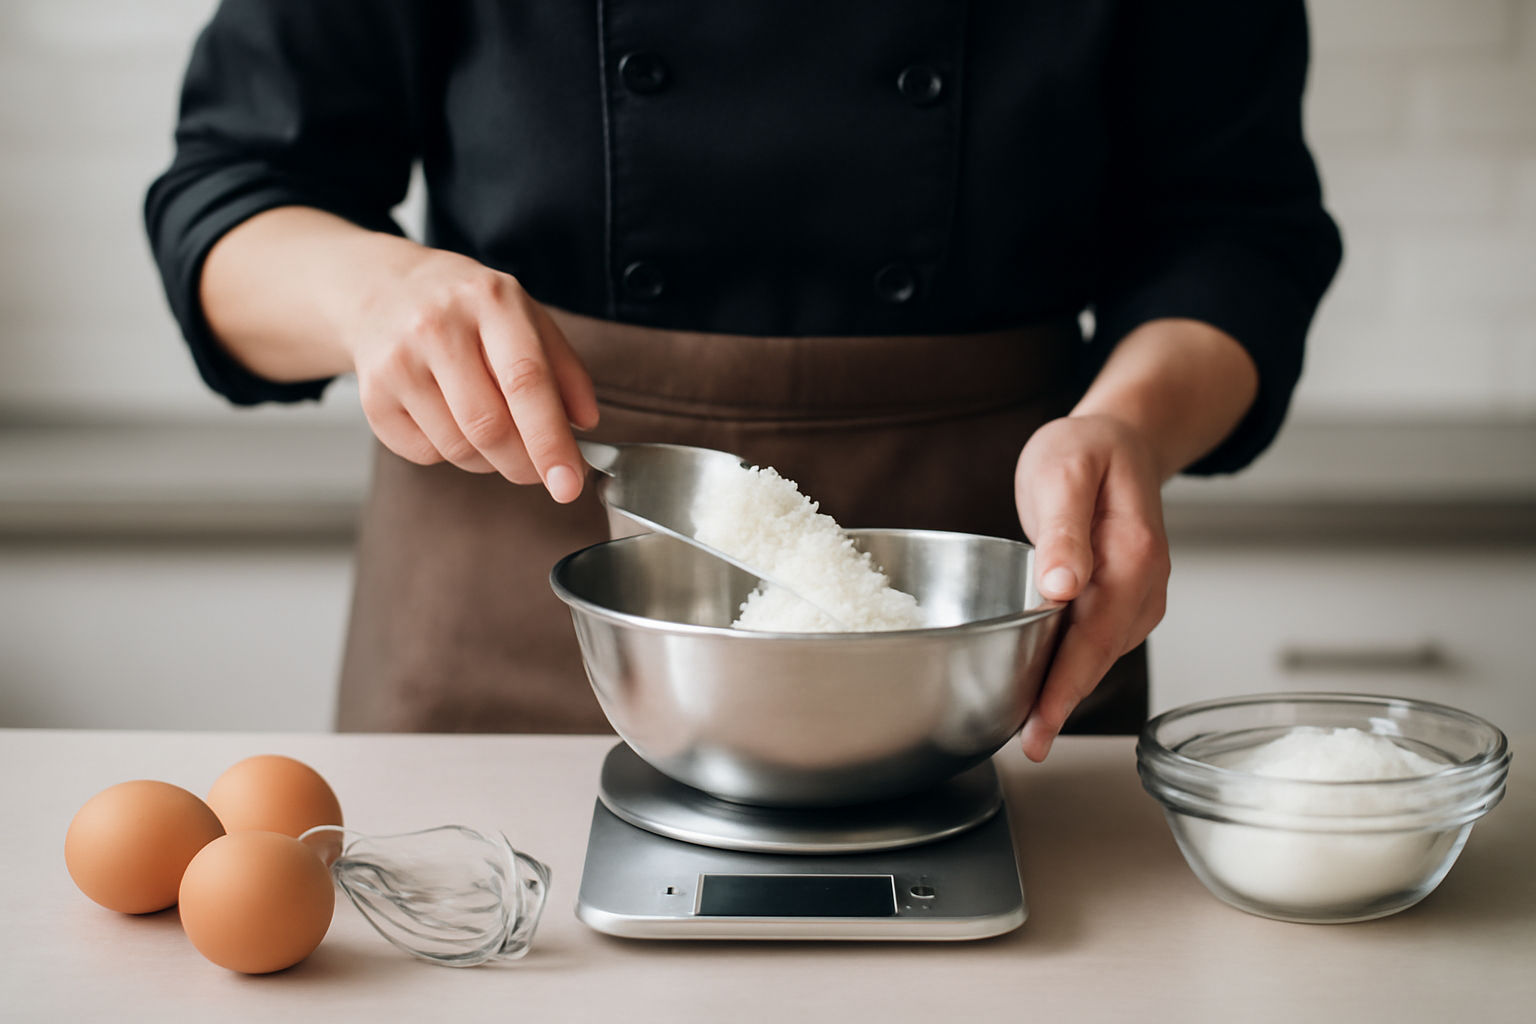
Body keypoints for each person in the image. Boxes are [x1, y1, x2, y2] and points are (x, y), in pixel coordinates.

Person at [146, 0, 1340, 762]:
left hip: (980, 601)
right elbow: (230, 189)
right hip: (518, 568)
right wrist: (370, 296)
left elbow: (1236, 234)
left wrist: (1127, 423)